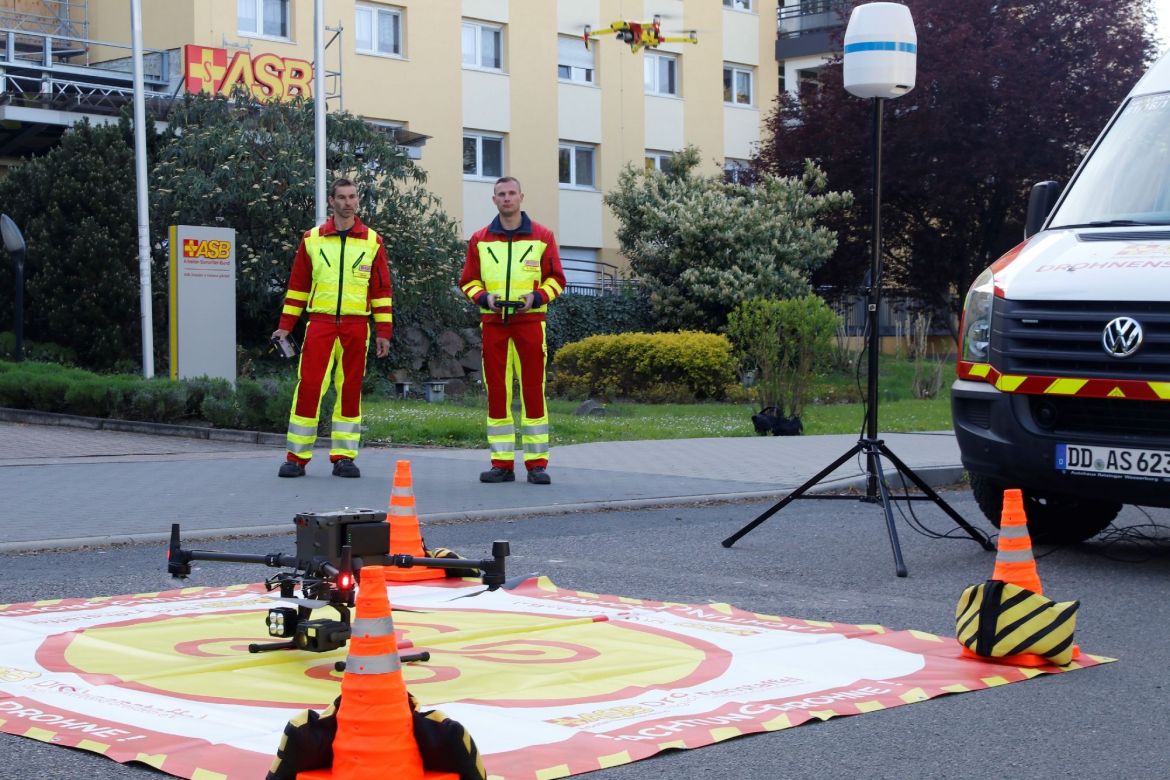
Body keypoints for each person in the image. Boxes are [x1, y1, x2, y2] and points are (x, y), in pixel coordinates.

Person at [272, 178, 393, 479]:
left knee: (350, 390)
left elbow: (381, 290)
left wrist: (384, 333)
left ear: (357, 200)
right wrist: (285, 327)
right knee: (310, 387)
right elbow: (298, 287)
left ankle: (344, 457)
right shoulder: (312, 238)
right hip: (320, 324)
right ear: (331, 201)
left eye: (352, 197)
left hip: (356, 325)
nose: (347, 202)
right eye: (341, 197)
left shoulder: (372, 241)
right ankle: (296, 457)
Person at [460, 176, 566, 485]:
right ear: (494, 200)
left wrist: (536, 298)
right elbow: (468, 281)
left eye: (511, 193)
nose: (506, 199)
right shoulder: (479, 239)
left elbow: (557, 279)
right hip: (494, 325)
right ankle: (502, 464)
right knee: (497, 393)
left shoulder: (543, 236)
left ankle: (536, 465)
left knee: (534, 392)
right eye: (500, 194)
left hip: (530, 324)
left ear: (521, 197)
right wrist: (484, 298)